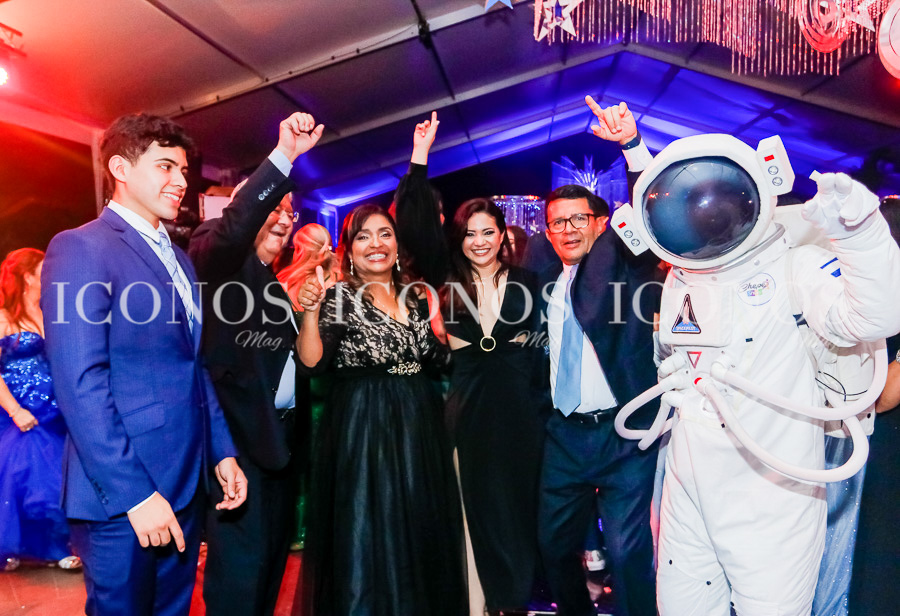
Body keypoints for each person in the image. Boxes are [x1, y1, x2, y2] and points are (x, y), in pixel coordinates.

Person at [605, 100, 900, 615]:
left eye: (717, 197)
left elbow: (875, 318)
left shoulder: (795, 267)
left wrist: (861, 235)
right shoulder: (680, 278)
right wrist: (635, 152)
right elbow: (663, 200)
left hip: (772, 491)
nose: (705, 213)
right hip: (688, 483)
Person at [41, 113, 247, 616]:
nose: (181, 181)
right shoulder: (81, 247)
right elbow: (79, 383)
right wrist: (135, 495)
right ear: (120, 169)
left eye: (183, 170)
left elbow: (192, 364)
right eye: (165, 167)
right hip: (121, 494)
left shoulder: (178, 256)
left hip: (185, 481)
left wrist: (221, 451)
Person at [393, 113, 546, 615]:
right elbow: (414, 225)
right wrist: (419, 158)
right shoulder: (447, 279)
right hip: (468, 414)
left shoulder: (528, 283)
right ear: (458, 238)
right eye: (469, 233)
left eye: (488, 232)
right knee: (473, 511)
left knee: (517, 512)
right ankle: (481, 602)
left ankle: (515, 600)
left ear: (503, 235)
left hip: (521, 418)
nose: (479, 241)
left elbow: (544, 352)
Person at [292, 204, 466, 616]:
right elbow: (312, 362)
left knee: (416, 526)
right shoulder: (340, 297)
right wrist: (311, 313)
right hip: (364, 426)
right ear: (350, 249)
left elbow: (437, 361)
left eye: (385, 234)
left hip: (418, 424)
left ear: (397, 245)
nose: (376, 243)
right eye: (364, 236)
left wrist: (444, 331)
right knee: (367, 528)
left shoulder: (415, 296)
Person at [187, 113, 323, 616]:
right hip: (238, 448)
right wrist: (284, 156)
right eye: (273, 206)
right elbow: (232, 230)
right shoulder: (217, 260)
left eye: (290, 210)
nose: (285, 218)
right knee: (240, 581)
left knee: (268, 573)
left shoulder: (272, 281)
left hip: (279, 448)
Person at [535, 100, 660, 616]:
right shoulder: (542, 282)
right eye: (556, 223)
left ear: (601, 223)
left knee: (628, 553)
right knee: (553, 546)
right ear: (546, 232)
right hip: (564, 435)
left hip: (622, 433)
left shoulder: (621, 262)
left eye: (577, 219)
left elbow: (650, 211)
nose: (567, 229)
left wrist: (631, 145)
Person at [0, 248, 80, 572]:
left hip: (55, 410)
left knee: (55, 477)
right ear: (28, 276)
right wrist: (15, 410)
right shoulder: (4, 317)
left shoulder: (51, 311)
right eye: (43, 269)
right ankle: (51, 548)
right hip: (21, 412)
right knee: (33, 481)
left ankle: (46, 547)